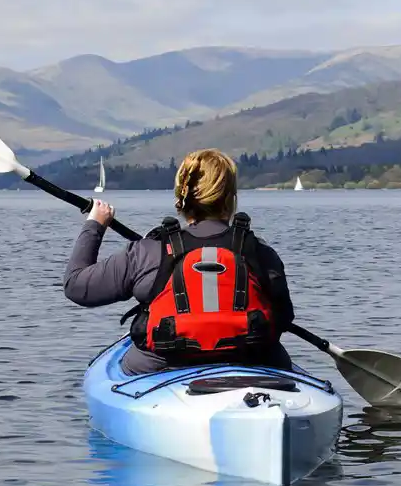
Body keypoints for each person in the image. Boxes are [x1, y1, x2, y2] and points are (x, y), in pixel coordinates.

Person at [62, 148, 295, 375]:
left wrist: (95, 224)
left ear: (181, 197)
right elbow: (283, 318)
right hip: (255, 363)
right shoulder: (261, 252)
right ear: (231, 198)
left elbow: (76, 286)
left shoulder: (148, 251)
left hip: (160, 367)